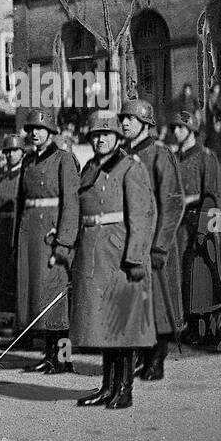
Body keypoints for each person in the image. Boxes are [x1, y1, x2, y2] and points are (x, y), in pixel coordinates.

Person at [71, 111, 157, 410]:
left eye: (106, 134)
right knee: (103, 326)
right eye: (96, 135)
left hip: (120, 255)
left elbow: (144, 215)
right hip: (95, 255)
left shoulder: (130, 168)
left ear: (119, 138)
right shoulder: (91, 167)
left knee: (122, 326)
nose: (101, 139)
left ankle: (124, 389)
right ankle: (107, 388)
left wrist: (135, 257)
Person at [120, 98, 183, 380]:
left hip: (156, 241)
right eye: (122, 119)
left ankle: (156, 359)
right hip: (129, 239)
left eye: (130, 119)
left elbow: (172, 202)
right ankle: (136, 357)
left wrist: (161, 245)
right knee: (134, 301)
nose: (124, 123)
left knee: (157, 302)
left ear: (145, 123)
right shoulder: (120, 155)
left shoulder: (160, 154)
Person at [16, 108, 79, 373]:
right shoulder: (28, 161)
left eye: (40, 129)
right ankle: (48, 354)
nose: (35, 133)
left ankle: (63, 359)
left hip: (51, 237)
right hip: (31, 237)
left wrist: (63, 242)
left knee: (57, 300)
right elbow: (21, 203)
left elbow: (71, 203)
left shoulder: (63, 160)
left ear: (51, 132)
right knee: (40, 299)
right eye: (31, 129)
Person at [171, 110, 221, 346]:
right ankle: (191, 325)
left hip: (199, 222)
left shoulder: (206, 158)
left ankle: (209, 328)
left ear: (191, 130)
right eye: (174, 128)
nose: (176, 132)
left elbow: (212, 196)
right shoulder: (174, 158)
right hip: (179, 225)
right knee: (184, 274)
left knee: (202, 274)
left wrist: (206, 231)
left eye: (180, 128)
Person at [0, 134, 23, 317]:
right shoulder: (0, 180)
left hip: (17, 230)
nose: (10, 155)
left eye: (14, 151)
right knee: (4, 276)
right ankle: (8, 319)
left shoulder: (25, 176)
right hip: (3, 232)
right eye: (8, 151)